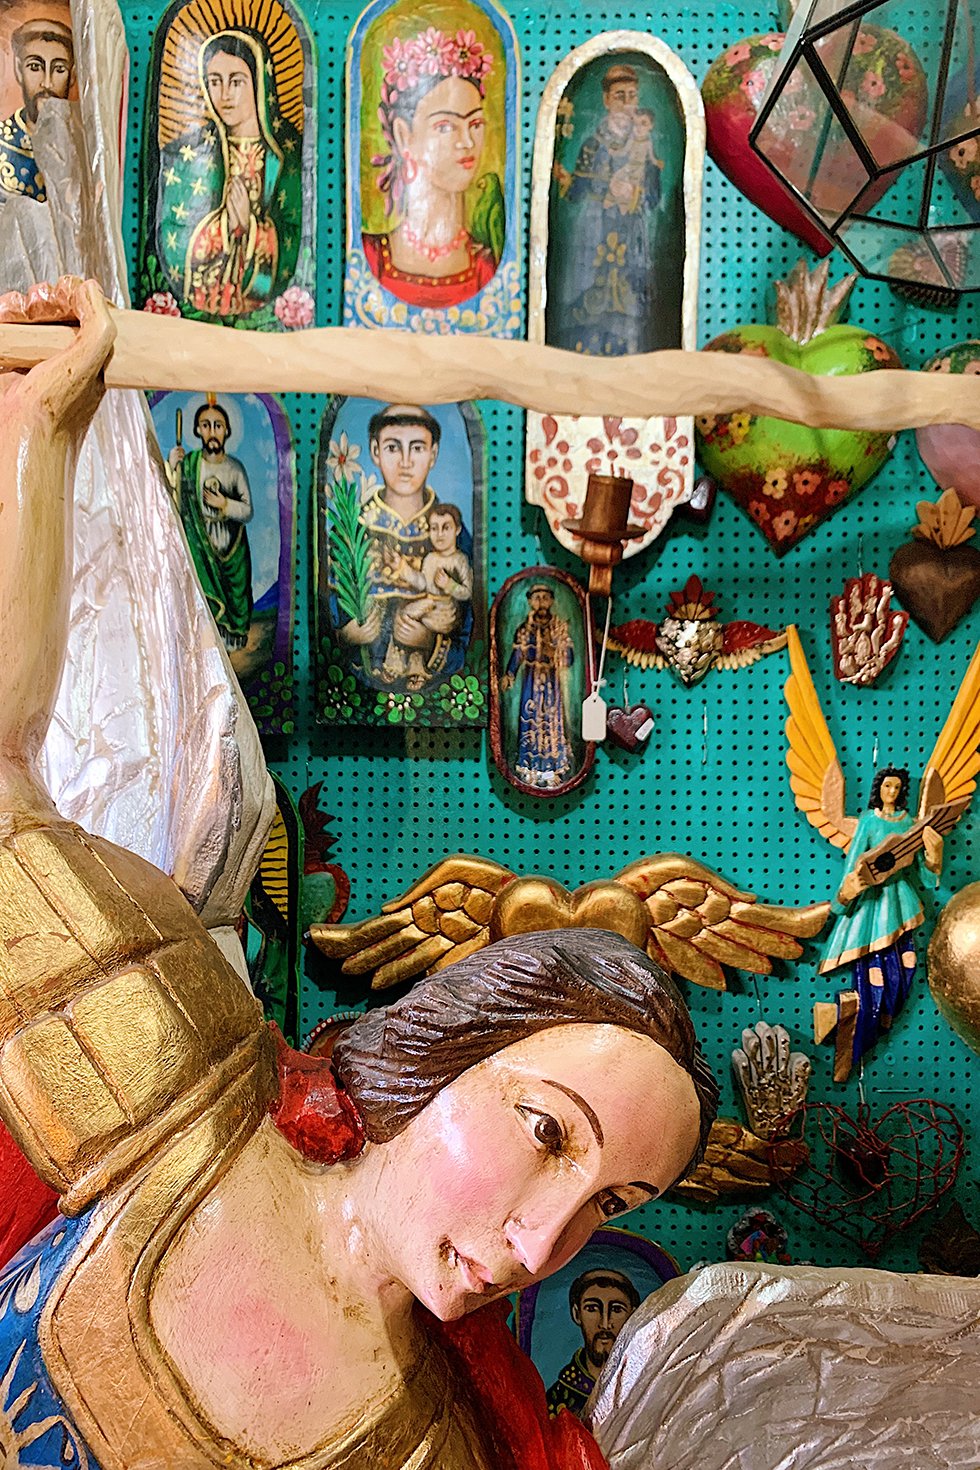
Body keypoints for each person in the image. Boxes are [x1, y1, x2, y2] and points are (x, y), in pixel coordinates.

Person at [154, 28, 302, 318]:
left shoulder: (285, 157)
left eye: (236, 81)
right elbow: (174, 231)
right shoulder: (189, 154)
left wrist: (250, 228)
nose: (224, 95)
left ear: (258, 82)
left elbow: (294, 236)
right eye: (214, 81)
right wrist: (225, 224)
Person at [363, 26, 503, 307]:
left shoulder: (487, 267)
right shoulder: (371, 257)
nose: (467, 142)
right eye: (446, 127)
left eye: (475, 124)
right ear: (404, 136)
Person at [334, 403, 472, 686]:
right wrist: (347, 636)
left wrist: (430, 642)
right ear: (375, 451)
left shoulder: (452, 536)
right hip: (360, 692)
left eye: (417, 448)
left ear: (433, 454)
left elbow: (471, 632)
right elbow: (328, 618)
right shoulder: (351, 530)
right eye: (393, 448)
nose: (405, 462)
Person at [820, 766, 943, 1070]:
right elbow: (854, 865)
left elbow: (926, 877)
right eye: (887, 786)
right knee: (873, 977)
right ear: (879, 789)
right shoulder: (869, 821)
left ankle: (881, 1018)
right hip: (871, 909)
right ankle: (857, 1035)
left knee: (908, 966)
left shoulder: (909, 823)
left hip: (902, 904)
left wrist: (933, 857)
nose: (892, 792)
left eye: (897, 787)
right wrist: (844, 896)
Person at [549, 64, 664, 356]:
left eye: (632, 96)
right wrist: (564, 179)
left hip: (630, 233)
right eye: (619, 97)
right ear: (606, 101)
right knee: (591, 301)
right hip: (595, 231)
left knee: (628, 304)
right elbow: (577, 191)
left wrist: (636, 190)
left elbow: (653, 197)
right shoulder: (592, 144)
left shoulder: (644, 145)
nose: (626, 105)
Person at [166, 395, 254, 651]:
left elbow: (247, 510)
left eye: (218, 425)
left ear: (227, 431)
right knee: (202, 595)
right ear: (197, 430)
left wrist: (224, 504)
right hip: (200, 545)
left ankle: (230, 645)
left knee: (235, 599)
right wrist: (172, 467)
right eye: (206, 425)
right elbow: (172, 502)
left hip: (231, 548)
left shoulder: (235, 469)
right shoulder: (190, 465)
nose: (212, 432)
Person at [388, 501, 473, 687]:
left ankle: (415, 666)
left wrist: (449, 585)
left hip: (444, 610)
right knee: (402, 615)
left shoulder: (460, 560)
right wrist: (402, 568)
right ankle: (396, 664)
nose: (439, 534)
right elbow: (422, 583)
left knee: (412, 620)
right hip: (429, 603)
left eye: (446, 528)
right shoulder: (430, 558)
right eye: (434, 528)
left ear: (457, 530)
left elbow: (467, 592)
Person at [501, 583, 575, 790]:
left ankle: (554, 767)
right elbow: (518, 654)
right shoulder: (525, 628)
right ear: (530, 602)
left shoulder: (559, 626)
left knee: (552, 721)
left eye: (545, 597)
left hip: (551, 680)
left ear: (551, 601)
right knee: (530, 720)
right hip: (531, 681)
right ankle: (530, 767)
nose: (541, 602)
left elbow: (569, 658)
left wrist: (556, 653)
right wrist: (509, 674)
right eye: (536, 598)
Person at [547, 1269, 641, 1419]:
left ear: (633, 1315)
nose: (605, 1324)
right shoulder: (558, 1398)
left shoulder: (644, 1386)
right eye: (592, 1309)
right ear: (577, 1314)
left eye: (617, 1309)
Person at [0, 18, 74, 203]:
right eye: (35, 67)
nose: (47, 83)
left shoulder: (81, 148)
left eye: (59, 69)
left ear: (72, 76)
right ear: (18, 71)